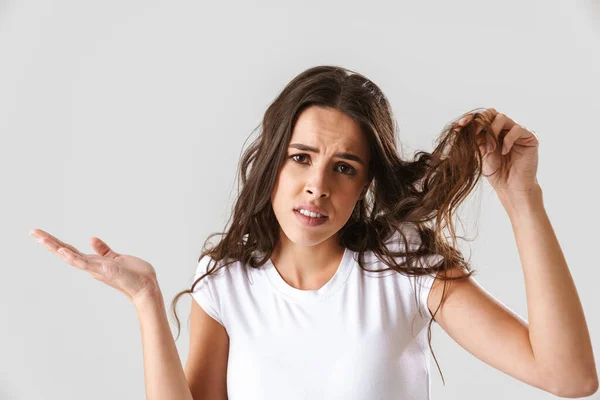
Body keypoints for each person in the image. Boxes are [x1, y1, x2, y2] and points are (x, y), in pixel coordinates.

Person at [30, 65, 598, 400]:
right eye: (301, 158)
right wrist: (146, 298)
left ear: (364, 184)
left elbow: (568, 376)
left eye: (343, 167)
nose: (317, 186)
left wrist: (522, 198)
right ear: (272, 162)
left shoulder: (403, 269)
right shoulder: (225, 283)